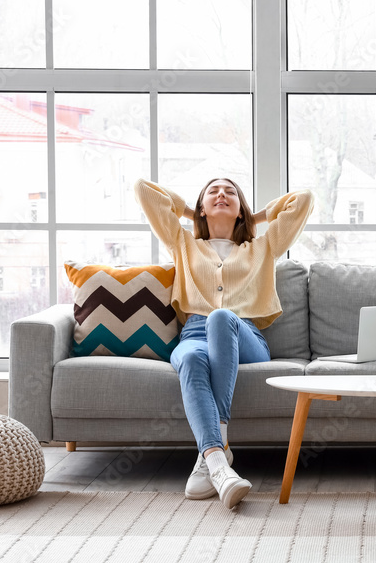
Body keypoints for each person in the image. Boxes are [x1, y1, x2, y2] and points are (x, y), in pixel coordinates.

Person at [134, 176, 314, 508]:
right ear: (201, 207)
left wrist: (253, 217)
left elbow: (302, 199)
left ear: (241, 208)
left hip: (244, 337)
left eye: (230, 192)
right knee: (189, 360)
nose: (221, 194)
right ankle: (217, 464)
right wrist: (192, 212)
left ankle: (219, 438)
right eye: (212, 192)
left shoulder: (264, 246)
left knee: (220, 317)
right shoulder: (183, 243)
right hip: (194, 335)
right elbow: (144, 190)